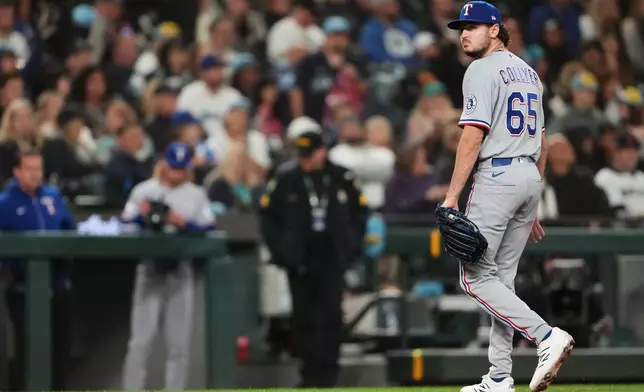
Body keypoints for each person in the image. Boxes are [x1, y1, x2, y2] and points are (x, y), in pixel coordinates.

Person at [441, 3, 574, 392]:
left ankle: (546, 336)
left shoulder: (481, 69)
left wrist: (451, 196)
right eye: (461, 27)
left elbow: (471, 136)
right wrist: (531, 201)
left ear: (495, 30)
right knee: (502, 280)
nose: (464, 33)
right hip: (528, 175)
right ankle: (499, 376)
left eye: (474, 26)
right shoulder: (528, 71)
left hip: (497, 174)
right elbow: (543, 141)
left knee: (475, 279)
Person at [259, 131, 368, 387]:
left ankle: (329, 374)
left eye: (310, 155)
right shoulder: (287, 179)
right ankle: (308, 374)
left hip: (332, 257)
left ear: (322, 152)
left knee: (331, 317)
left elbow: (360, 214)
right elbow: (268, 217)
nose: (305, 161)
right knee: (303, 318)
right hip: (300, 259)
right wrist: (282, 252)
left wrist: (351, 247)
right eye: (302, 156)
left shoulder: (342, 178)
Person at [121, 142, 215, 391]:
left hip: (180, 271)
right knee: (140, 342)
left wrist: (183, 223)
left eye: (181, 169)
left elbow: (209, 227)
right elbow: (126, 222)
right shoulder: (144, 191)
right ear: (164, 164)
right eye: (173, 168)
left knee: (179, 345)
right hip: (149, 269)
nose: (177, 174)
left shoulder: (195, 194)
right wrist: (141, 216)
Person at [0, 149, 75, 391]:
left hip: (57, 284)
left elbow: (70, 231)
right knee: (27, 346)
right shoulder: (5, 203)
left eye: (38, 169)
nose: (35, 175)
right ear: (17, 172)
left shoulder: (53, 197)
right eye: (29, 169)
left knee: (61, 347)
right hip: (23, 288)